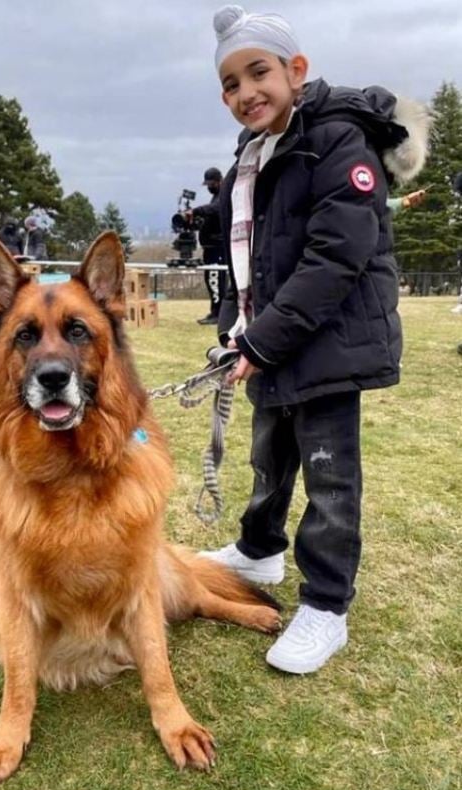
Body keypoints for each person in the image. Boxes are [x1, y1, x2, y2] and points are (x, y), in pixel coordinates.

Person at [199, 5, 429, 674]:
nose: (245, 93)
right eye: (230, 84)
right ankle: (259, 549)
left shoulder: (336, 140)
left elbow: (335, 257)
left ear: (296, 70)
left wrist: (262, 341)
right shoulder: (253, 152)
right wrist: (236, 334)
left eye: (257, 72)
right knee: (268, 458)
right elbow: (251, 260)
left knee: (330, 480)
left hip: (326, 344)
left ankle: (326, 605)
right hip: (273, 341)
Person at [191, 168, 228, 324]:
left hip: (218, 247)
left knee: (216, 280)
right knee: (211, 280)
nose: (209, 187)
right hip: (210, 247)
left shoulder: (224, 196)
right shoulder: (215, 197)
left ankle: (218, 314)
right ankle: (215, 311)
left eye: (211, 183)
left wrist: (197, 211)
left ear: (218, 181)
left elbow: (217, 209)